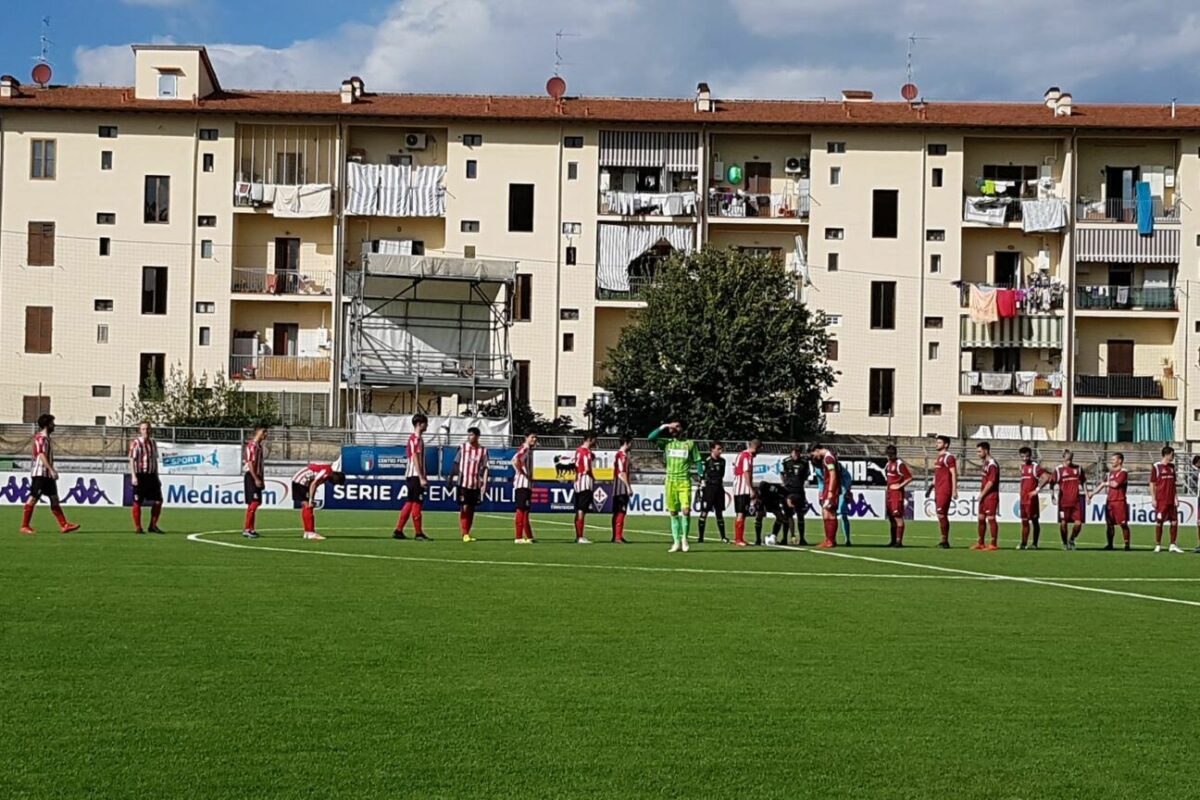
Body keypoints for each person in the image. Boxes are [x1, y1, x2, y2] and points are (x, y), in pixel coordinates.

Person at [19, 414, 80, 535]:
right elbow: (41, 455)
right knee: (33, 498)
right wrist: (51, 469)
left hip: (47, 475)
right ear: (47, 425)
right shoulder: (40, 438)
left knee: (54, 498)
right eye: (52, 423)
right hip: (41, 473)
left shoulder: (47, 439)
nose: (54, 425)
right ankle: (24, 526)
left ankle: (64, 525)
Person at [648, 421, 703, 553]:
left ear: (682, 429)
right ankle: (676, 541)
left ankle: (684, 538)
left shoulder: (690, 444)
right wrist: (664, 426)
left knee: (686, 510)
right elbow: (650, 438)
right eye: (672, 427)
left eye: (676, 426)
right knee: (673, 512)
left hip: (684, 481)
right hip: (670, 481)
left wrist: (702, 476)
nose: (673, 429)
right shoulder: (667, 443)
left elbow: (698, 460)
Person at [394, 413, 430, 541]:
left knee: (409, 502)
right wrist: (421, 476)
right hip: (415, 475)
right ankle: (418, 533)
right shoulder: (416, 439)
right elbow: (415, 457)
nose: (427, 425)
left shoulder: (415, 439)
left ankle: (398, 530)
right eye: (426, 423)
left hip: (411, 475)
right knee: (417, 503)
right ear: (420, 424)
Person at [450, 427, 489, 543]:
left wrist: (485, 483)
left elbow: (486, 467)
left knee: (471, 508)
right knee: (464, 507)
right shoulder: (462, 448)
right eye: (469, 435)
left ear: (477, 436)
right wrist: (451, 478)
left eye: (472, 435)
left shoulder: (483, 450)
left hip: (475, 484)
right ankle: (465, 533)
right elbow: (456, 464)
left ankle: (467, 532)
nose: (469, 437)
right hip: (463, 482)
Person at [292, 461, 346, 540]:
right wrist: (311, 499)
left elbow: (314, 484)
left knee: (306, 506)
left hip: (300, 480)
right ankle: (310, 533)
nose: (335, 484)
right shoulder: (327, 472)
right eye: (337, 482)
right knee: (308, 506)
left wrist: (311, 498)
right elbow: (314, 483)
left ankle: (307, 532)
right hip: (301, 481)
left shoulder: (327, 472)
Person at [128, 421, 163, 534]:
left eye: (147, 429)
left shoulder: (153, 443)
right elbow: (132, 460)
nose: (146, 431)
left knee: (158, 501)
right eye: (143, 429)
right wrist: (133, 475)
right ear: (140, 430)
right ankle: (138, 527)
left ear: (150, 430)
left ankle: (153, 525)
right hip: (140, 475)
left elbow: (155, 460)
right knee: (137, 501)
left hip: (151, 475)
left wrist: (157, 476)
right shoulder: (136, 443)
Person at [1089, 453, 1130, 551]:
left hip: (1119, 501)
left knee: (1123, 524)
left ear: (1120, 461)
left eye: (1114, 459)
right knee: (1109, 524)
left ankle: (1127, 544)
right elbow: (1101, 485)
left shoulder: (1123, 472)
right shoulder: (1110, 474)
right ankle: (1110, 544)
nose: (1112, 461)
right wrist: (1091, 494)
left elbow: (1115, 484)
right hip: (1110, 502)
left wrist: (1105, 483)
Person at [1150, 446, 1184, 553]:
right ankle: (1158, 544)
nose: (1173, 457)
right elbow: (1152, 483)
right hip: (1161, 499)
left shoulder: (1172, 467)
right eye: (1172, 454)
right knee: (1160, 521)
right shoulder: (1156, 466)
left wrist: (1176, 498)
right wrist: (1153, 498)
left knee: (1174, 521)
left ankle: (1173, 544)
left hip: (1171, 499)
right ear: (1167, 454)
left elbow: (1173, 484)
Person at [925, 435, 957, 549]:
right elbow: (937, 475)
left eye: (939, 442)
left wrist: (954, 490)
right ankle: (943, 539)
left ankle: (945, 540)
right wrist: (930, 488)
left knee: (941, 514)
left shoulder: (949, 457)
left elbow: (953, 473)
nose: (936, 444)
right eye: (937, 442)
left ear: (946, 445)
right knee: (940, 515)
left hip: (945, 489)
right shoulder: (939, 458)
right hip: (938, 490)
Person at [1053, 450, 1087, 550]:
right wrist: (1052, 495)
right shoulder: (1058, 470)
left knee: (1078, 523)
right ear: (1063, 458)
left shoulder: (1078, 469)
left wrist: (1087, 494)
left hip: (1076, 501)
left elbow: (1083, 481)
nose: (1069, 461)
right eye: (1067, 459)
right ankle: (1064, 543)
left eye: (1071, 459)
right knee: (1063, 523)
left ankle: (1071, 539)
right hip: (1063, 502)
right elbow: (1051, 483)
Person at [1016, 447, 1048, 550]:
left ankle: (1034, 543)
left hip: (1031, 500)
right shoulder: (1022, 467)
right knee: (1024, 522)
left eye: (1027, 456)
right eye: (1023, 456)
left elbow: (1046, 477)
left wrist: (1037, 490)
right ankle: (1023, 543)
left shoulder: (1035, 467)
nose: (1025, 458)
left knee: (1034, 521)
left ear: (1030, 456)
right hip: (1023, 499)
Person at [808, 444, 840, 548]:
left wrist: (830, 491)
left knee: (829, 513)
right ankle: (829, 539)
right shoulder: (829, 457)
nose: (815, 457)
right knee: (826, 513)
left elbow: (833, 474)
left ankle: (830, 541)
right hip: (828, 488)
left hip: (831, 489)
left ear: (817, 450)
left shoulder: (828, 458)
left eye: (814, 454)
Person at [697, 441, 727, 544]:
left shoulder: (723, 461)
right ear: (712, 449)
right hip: (709, 489)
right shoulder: (706, 461)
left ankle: (723, 537)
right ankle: (700, 537)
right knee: (704, 512)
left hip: (719, 489)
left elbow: (722, 474)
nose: (720, 451)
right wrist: (702, 483)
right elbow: (701, 474)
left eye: (721, 449)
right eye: (718, 449)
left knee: (719, 513)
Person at [241, 425, 268, 539]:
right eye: (264, 432)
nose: (266, 435)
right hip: (251, 476)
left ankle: (251, 529)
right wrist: (256, 478)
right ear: (258, 433)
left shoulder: (259, 447)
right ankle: (247, 529)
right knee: (254, 502)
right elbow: (251, 464)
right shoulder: (252, 446)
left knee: (255, 503)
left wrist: (261, 479)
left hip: (257, 476)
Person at [731, 438, 759, 548]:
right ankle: (738, 539)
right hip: (742, 488)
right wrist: (751, 488)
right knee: (741, 513)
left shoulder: (741, 454)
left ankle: (740, 538)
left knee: (742, 513)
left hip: (738, 486)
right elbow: (746, 472)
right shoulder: (747, 456)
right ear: (756, 447)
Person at [973, 441, 1000, 550]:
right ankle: (981, 542)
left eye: (979, 451)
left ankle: (993, 543)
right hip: (985, 496)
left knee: (991, 518)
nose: (978, 454)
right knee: (981, 518)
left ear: (986, 450)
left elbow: (991, 481)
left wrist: (982, 494)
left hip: (991, 496)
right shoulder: (985, 463)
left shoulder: (992, 464)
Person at [780, 445, 810, 546]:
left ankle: (802, 538)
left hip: (799, 491)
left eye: (797, 452)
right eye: (794, 452)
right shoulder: (786, 462)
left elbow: (806, 475)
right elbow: (782, 473)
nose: (796, 454)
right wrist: (785, 483)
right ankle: (784, 538)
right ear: (791, 453)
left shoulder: (805, 462)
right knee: (787, 515)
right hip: (788, 491)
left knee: (800, 515)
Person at [884, 445, 912, 547]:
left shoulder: (899, 464)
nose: (889, 457)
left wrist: (899, 485)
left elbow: (909, 477)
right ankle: (893, 540)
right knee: (891, 518)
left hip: (897, 494)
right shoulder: (888, 464)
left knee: (898, 517)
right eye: (888, 455)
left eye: (891, 455)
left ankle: (899, 541)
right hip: (889, 493)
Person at [572, 432, 598, 544]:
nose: (595, 442)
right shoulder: (586, 452)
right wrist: (593, 477)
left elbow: (576, 465)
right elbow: (587, 469)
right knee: (582, 509)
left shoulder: (578, 450)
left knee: (578, 509)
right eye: (594, 440)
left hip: (577, 482)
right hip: (585, 483)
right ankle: (580, 537)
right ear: (590, 439)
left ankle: (578, 536)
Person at [511, 432, 537, 544]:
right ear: (526, 438)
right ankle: (518, 537)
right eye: (532, 437)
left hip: (526, 484)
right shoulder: (525, 449)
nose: (534, 439)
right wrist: (522, 473)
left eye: (535, 437)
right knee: (521, 509)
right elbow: (516, 460)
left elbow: (514, 460)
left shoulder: (528, 450)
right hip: (522, 484)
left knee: (525, 510)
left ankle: (529, 536)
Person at [610, 435, 633, 544]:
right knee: (621, 511)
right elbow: (621, 472)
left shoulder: (619, 455)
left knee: (617, 511)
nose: (631, 445)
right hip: (621, 486)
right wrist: (628, 487)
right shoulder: (622, 456)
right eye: (630, 443)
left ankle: (616, 536)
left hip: (617, 486)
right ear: (627, 443)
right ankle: (617, 537)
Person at [753, 480, 789, 546]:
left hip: (773, 501)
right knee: (759, 516)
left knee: (782, 518)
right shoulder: (762, 488)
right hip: (764, 499)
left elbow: (784, 496)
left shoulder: (781, 491)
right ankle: (758, 539)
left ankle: (779, 537)